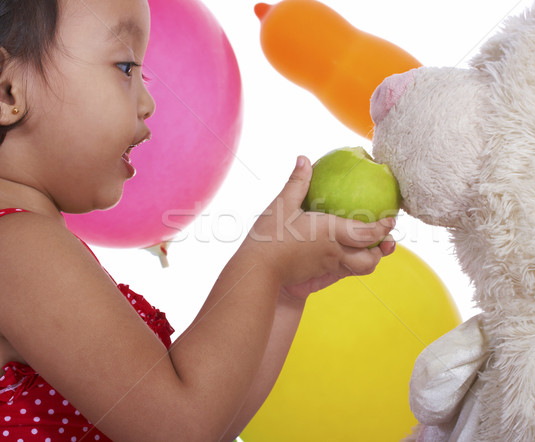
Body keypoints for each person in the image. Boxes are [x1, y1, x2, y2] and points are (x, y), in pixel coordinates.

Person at [0, 0, 396, 440]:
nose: (149, 104)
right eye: (127, 67)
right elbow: (180, 429)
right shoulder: (15, 246)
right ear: (8, 91)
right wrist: (263, 262)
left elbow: (214, 421)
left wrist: (284, 291)